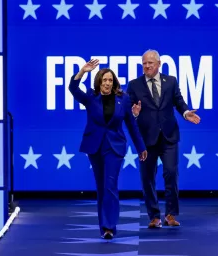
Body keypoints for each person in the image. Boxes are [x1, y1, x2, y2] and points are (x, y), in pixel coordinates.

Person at [68, 59, 147, 239]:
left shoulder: (123, 99)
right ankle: (103, 227)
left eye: (110, 80)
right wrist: (82, 72)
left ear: (114, 82)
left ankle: (109, 226)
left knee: (110, 184)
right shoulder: (90, 97)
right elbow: (73, 89)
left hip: (115, 147)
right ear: (99, 82)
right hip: (94, 147)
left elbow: (131, 125)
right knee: (101, 186)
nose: (107, 83)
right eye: (104, 80)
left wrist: (140, 147)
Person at [126, 49, 201, 228]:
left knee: (171, 174)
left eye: (150, 63)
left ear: (159, 64)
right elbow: (128, 112)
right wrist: (134, 114)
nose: (147, 66)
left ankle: (171, 215)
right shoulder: (134, 85)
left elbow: (179, 101)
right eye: (144, 63)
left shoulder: (171, 82)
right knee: (147, 178)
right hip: (146, 139)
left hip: (169, 136)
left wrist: (185, 112)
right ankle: (154, 216)